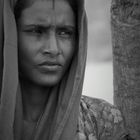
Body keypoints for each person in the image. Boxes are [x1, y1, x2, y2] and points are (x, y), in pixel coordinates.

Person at [0, 0, 129, 140]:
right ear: (9, 34)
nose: (53, 49)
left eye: (65, 33)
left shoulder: (103, 121)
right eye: (37, 31)